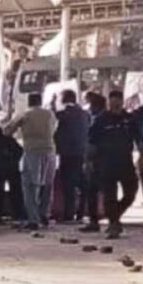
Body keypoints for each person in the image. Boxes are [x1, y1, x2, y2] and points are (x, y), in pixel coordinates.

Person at [87, 90, 142, 239]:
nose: (115, 105)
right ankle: (113, 224)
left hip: (125, 162)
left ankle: (115, 215)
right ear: (109, 103)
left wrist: (142, 158)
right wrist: (89, 161)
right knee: (109, 195)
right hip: (106, 163)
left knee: (131, 192)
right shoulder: (101, 120)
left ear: (122, 102)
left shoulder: (129, 119)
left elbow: (139, 139)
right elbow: (91, 142)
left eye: (118, 102)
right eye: (113, 102)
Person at [4, 92, 56, 230]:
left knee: (30, 186)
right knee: (47, 185)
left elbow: (7, 131)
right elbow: (54, 129)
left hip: (32, 151)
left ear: (29, 102)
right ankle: (44, 215)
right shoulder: (50, 114)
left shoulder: (25, 114)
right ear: (40, 101)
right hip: (50, 151)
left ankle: (33, 219)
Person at [54, 90, 90, 222]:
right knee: (80, 181)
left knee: (68, 184)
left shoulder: (63, 114)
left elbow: (55, 129)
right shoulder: (85, 114)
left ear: (63, 99)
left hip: (67, 152)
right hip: (81, 151)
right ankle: (81, 210)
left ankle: (69, 214)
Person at [79, 92, 106, 230]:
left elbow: (91, 143)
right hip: (107, 159)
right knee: (106, 190)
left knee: (92, 190)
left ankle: (94, 221)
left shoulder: (97, 121)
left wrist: (87, 160)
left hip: (97, 160)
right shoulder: (106, 119)